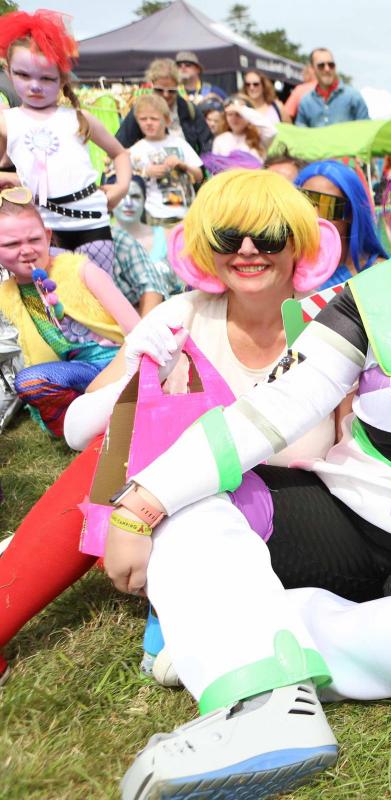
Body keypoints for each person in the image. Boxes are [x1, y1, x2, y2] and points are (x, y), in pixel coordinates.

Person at [99, 118, 391, 799]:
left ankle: (267, 636)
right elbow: (275, 409)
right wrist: (141, 503)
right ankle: (267, 709)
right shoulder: (374, 293)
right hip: (348, 512)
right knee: (191, 507)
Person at [0, 168, 340, 693]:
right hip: (181, 503)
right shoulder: (184, 314)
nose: (248, 250)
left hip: (294, 518)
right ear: (207, 246)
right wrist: (138, 371)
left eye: (268, 235)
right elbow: (77, 429)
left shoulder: (331, 322)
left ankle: (176, 611)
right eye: (229, 236)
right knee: (113, 449)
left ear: (298, 243)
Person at [0, 10, 132, 276]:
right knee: (46, 302)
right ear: (8, 72)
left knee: (95, 303)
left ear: (62, 79)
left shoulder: (80, 118)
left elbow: (120, 153)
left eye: (46, 78)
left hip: (91, 222)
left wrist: (122, 187)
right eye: (24, 75)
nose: (35, 86)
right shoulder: (6, 120)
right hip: (39, 229)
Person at [0, 186, 138, 436]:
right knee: (29, 382)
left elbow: (137, 330)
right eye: (12, 244)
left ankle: (107, 411)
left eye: (34, 239)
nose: (27, 250)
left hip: (119, 362)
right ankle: (81, 423)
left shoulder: (81, 270)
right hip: (78, 373)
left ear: (48, 234)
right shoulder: (7, 297)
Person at [295, 160, 388, 289]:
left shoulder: (378, 274)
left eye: (328, 205)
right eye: (305, 201)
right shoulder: (285, 271)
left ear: (351, 213)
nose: (314, 214)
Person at [127, 94, 204, 226]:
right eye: (143, 119)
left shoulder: (179, 143)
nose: (149, 123)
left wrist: (183, 166)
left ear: (167, 120)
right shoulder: (135, 150)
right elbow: (127, 180)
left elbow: (199, 176)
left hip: (188, 214)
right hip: (157, 215)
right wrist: (146, 172)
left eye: (154, 119)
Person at [111, 175, 184, 305]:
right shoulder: (100, 243)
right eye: (122, 196)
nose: (128, 203)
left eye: (135, 197)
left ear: (145, 200)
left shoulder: (167, 236)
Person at [116, 58, 213, 156]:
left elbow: (206, 146)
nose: (166, 95)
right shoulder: (141, 110)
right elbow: (119, 146)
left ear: (177, 87)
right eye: (159, 90)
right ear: (152, 85)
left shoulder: (189, 110)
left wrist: (200, 167)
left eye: (171, 90)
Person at [294, 47, 369, 128]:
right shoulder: (305, 102)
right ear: (312, 69)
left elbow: (367, 131)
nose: (327, 69)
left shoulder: (354, 97)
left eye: (331, 65)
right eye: (321, 65)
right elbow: (300, 134)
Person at [211, 94, 276, 161]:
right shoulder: (220, 140)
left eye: (238, 114)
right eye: (230, 114)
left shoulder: (259, 138)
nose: (234, 118)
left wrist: (241, 109)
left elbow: (272, 131)